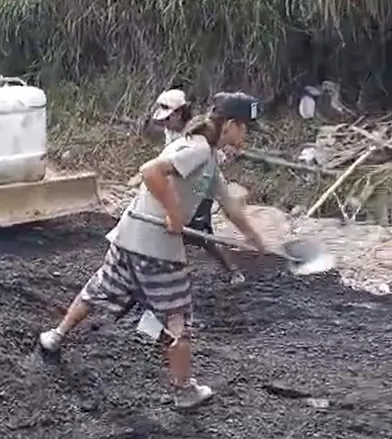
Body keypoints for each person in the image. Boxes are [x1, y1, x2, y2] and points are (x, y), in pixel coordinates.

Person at [37, 91, 270, 409]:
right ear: (230, 125)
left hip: (130, 235)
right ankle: (184, 389)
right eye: (246, 129)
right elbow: (150, 171)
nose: (247, 137)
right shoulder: (197, 149)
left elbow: (229, 205)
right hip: (156, 245)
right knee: (177, 317)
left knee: (100, 286)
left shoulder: (208, 161)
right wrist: (174, 213)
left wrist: (256, 240)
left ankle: (55, 336)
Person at [152, 89, 245, 285]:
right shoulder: (171, 130)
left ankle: (234, 271)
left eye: (169, 117)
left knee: (202, 234)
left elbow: (213, 161)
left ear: (179, 113)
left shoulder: (199, 131)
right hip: (181, 187)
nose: (166, 122)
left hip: (201, 185)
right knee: (174, 232)